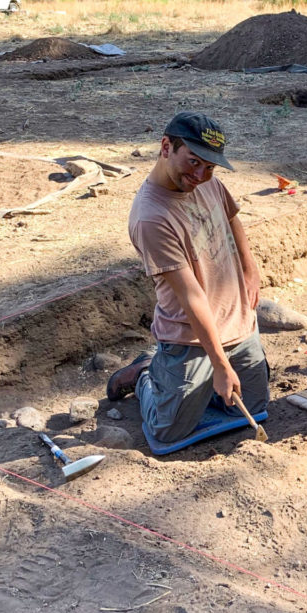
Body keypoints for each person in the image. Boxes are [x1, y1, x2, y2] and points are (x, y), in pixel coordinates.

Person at [106, 111, 269, 446]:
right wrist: (221, 366)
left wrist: (250, 271)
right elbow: (192, 297)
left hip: (236, 323)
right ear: (166, 147)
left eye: (209, 167)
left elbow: (231, 215)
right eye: (193, 162)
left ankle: (195, 383)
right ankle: (145, 376)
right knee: (169, 432)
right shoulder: (151, 218)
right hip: (189, 336)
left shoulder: (208, 182)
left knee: (252, 408)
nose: (200, 175)